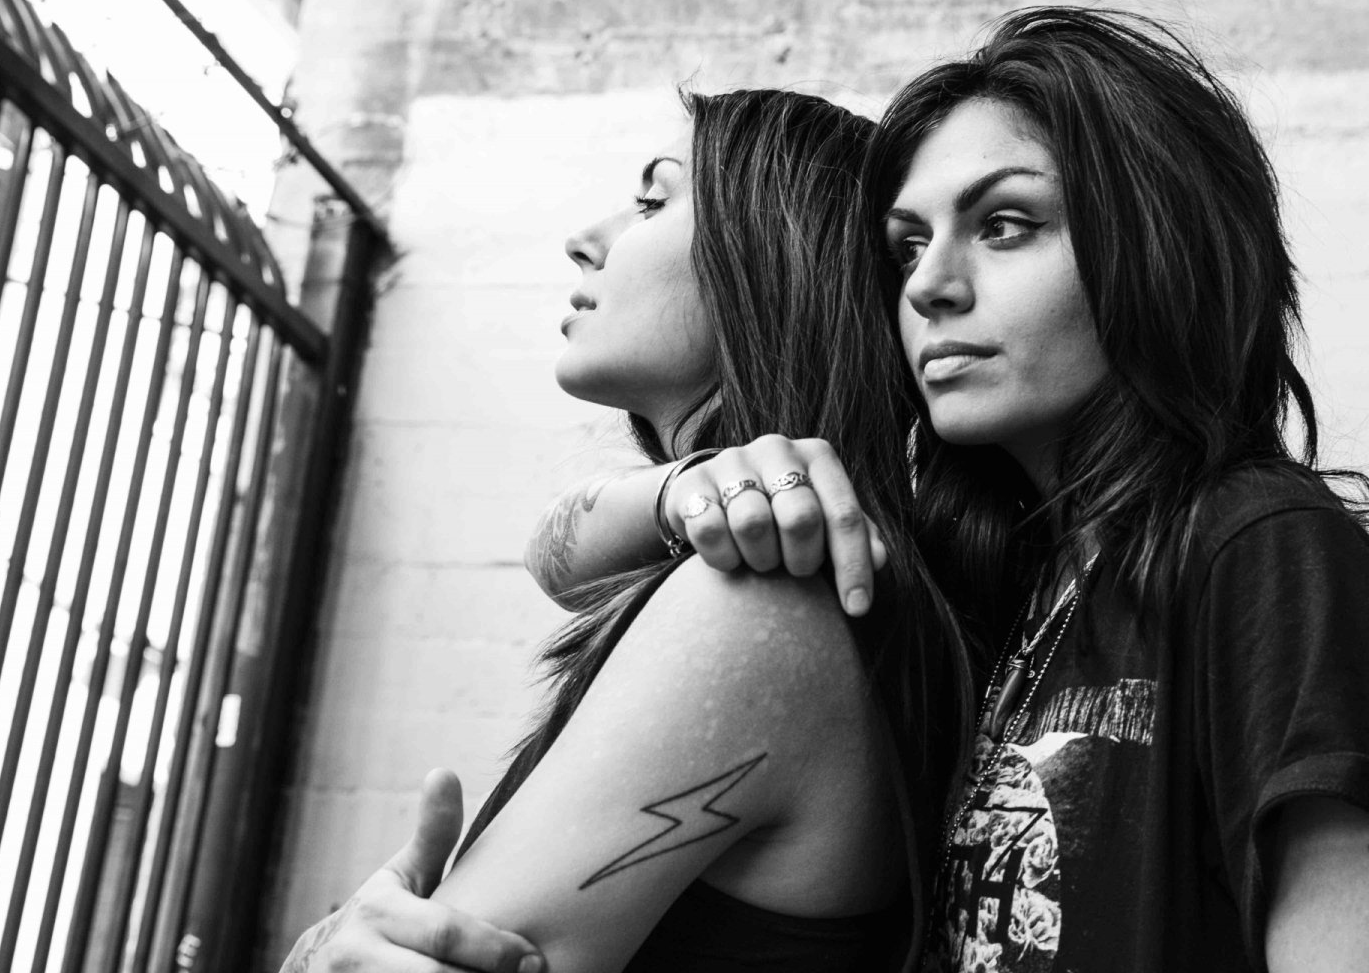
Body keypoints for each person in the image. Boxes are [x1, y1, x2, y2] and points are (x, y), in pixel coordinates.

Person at [289, 6, 1369, 972]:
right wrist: (689, 491)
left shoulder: (1261, 548)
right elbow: (561, 554)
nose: (931, 289)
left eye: (1006, 226)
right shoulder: (1007, 589)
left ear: (1152, 246)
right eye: (907, 247)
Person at [281, 87, 971, 973]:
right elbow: (554, 553)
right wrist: (679, 491)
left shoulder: (763, 599)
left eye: (654, 199)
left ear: (772, 256)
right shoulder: (737, 552)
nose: (587, 236)